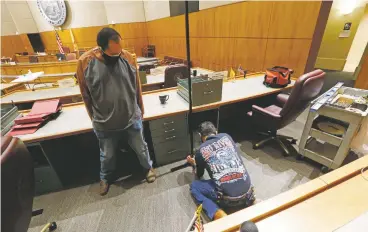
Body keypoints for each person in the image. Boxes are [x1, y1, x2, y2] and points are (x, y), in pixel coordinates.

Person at [76, 27, 155, 196]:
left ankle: (148, 168)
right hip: (104, 123)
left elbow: (137, 87)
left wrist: (141, 109)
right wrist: (94, 118)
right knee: (107, 155)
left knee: (141, 148)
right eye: (114, 53)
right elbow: (85, 94)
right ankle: (105, 178)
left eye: (120, 49)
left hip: (131, 117)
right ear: (102, 48)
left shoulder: (127, 57)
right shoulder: (85, 62)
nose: (119, 54)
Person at [187, 121, 255, 220]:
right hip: (248, 192)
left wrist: (194, 164)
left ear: (199, 135)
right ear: (216, 131)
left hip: (228, 200)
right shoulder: (227, 136)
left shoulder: (200, 150)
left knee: (194, 186)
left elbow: (200, 174)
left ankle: (218, 214)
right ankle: (253, 200)